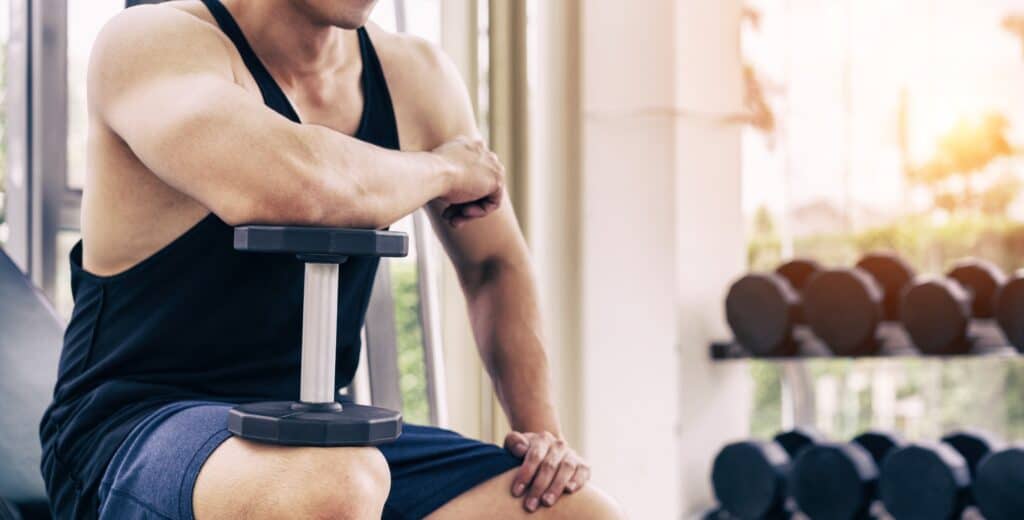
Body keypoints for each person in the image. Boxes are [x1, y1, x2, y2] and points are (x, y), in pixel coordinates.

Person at [39, 1, 625, 519]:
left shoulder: (415, 76)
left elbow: (493, 263)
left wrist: (542, 436)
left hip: (313, 435)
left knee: (578, 513)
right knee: (337, 485)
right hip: (133, 426)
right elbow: (297, 186)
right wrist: (445, 169)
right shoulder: (150, 41)